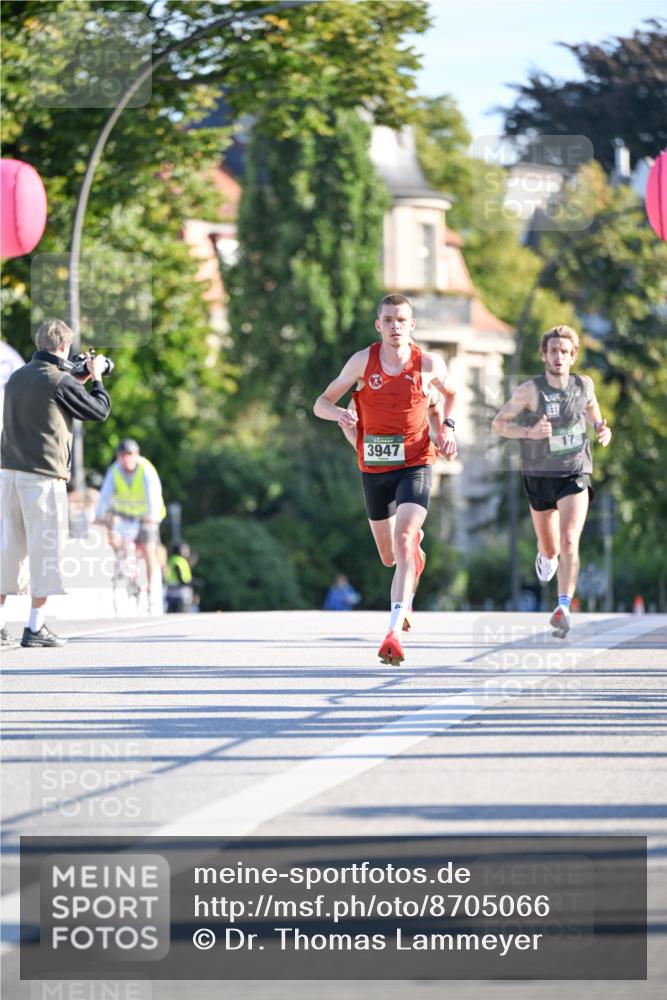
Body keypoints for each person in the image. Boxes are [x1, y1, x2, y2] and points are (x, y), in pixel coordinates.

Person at [314, 293, 457, 665]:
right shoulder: (364, 361)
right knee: (390, 555)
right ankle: (413, 555)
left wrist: (447, 429)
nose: (395, 326)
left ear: (412, 326)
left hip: (417, 461)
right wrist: (339, 416)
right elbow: (321, 403)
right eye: (388, 320)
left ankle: (394, 629)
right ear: (379, 325)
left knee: (406, 537)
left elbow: (449, 396)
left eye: (402, 320)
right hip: (374, 468)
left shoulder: (428, 363)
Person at [491, 324, 612, 637]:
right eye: (553, 351)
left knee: (570, 538)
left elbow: (591, 408)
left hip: (574, 472)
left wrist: (600, 426)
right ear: (544, 355)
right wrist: (528, 432)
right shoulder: (529, 391)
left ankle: (563, 606)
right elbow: (499, 424)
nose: (559, 356)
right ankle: (545, 557)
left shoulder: (585, 384)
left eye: (565, 351)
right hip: (539, 476)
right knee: (551, 547)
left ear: (573, 356)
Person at [0, 319, 111, 647]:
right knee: (45, 552)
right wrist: (98, 378)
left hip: (7, 475)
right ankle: (35, 627)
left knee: (8, 553)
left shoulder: (16, 378)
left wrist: (76, 378)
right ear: (64, 346)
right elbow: (98, 411)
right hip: (43, 478)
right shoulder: (60, 381)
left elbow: (44, 399)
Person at [95, 438, 165, 615]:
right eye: (122, 456)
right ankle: (121, 567)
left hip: (145, 517)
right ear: (118, 457)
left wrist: (153, 516)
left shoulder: (146, 469)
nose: (126, 459)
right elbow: (104, 495)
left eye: (130, 455)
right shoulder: (115, 471)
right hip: (125, 517)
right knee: (115, 540)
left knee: (148, 548)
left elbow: (154, 494)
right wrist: (98, 516)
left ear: (137, 455)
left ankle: (149, 590)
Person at [165, 542, 195, 613]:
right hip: (180, 591)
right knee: (182, 611)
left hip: (171, 590)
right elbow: (180, 576)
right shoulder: (179, 560)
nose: (187, 551)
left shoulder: (172, 559)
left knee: (172, 612)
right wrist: (190, 583)